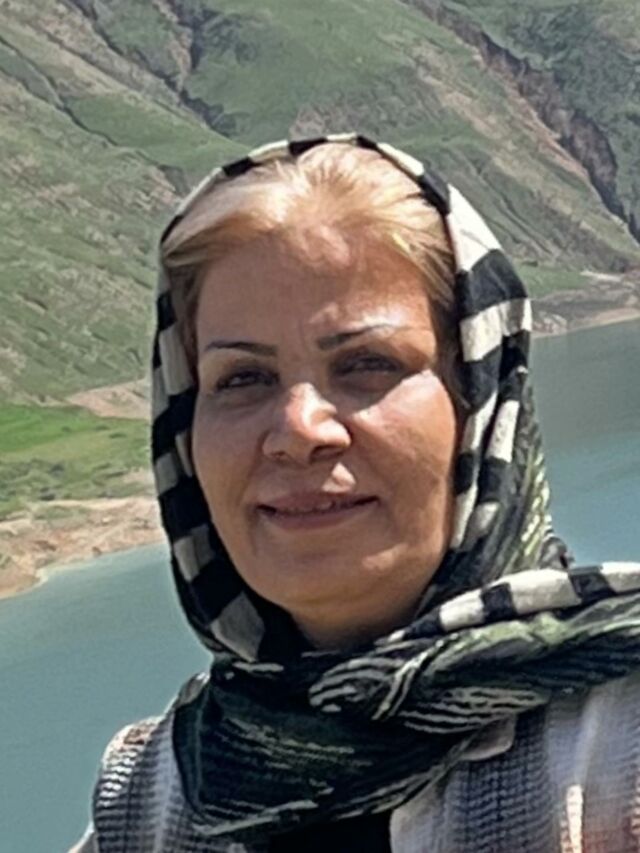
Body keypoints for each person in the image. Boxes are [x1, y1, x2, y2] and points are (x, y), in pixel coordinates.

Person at [71, 133, 640, 852]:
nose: (298, 430)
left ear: (481, 404)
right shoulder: (150, 799)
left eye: (368, 364)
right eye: (243, 378)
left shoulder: (618, 745)